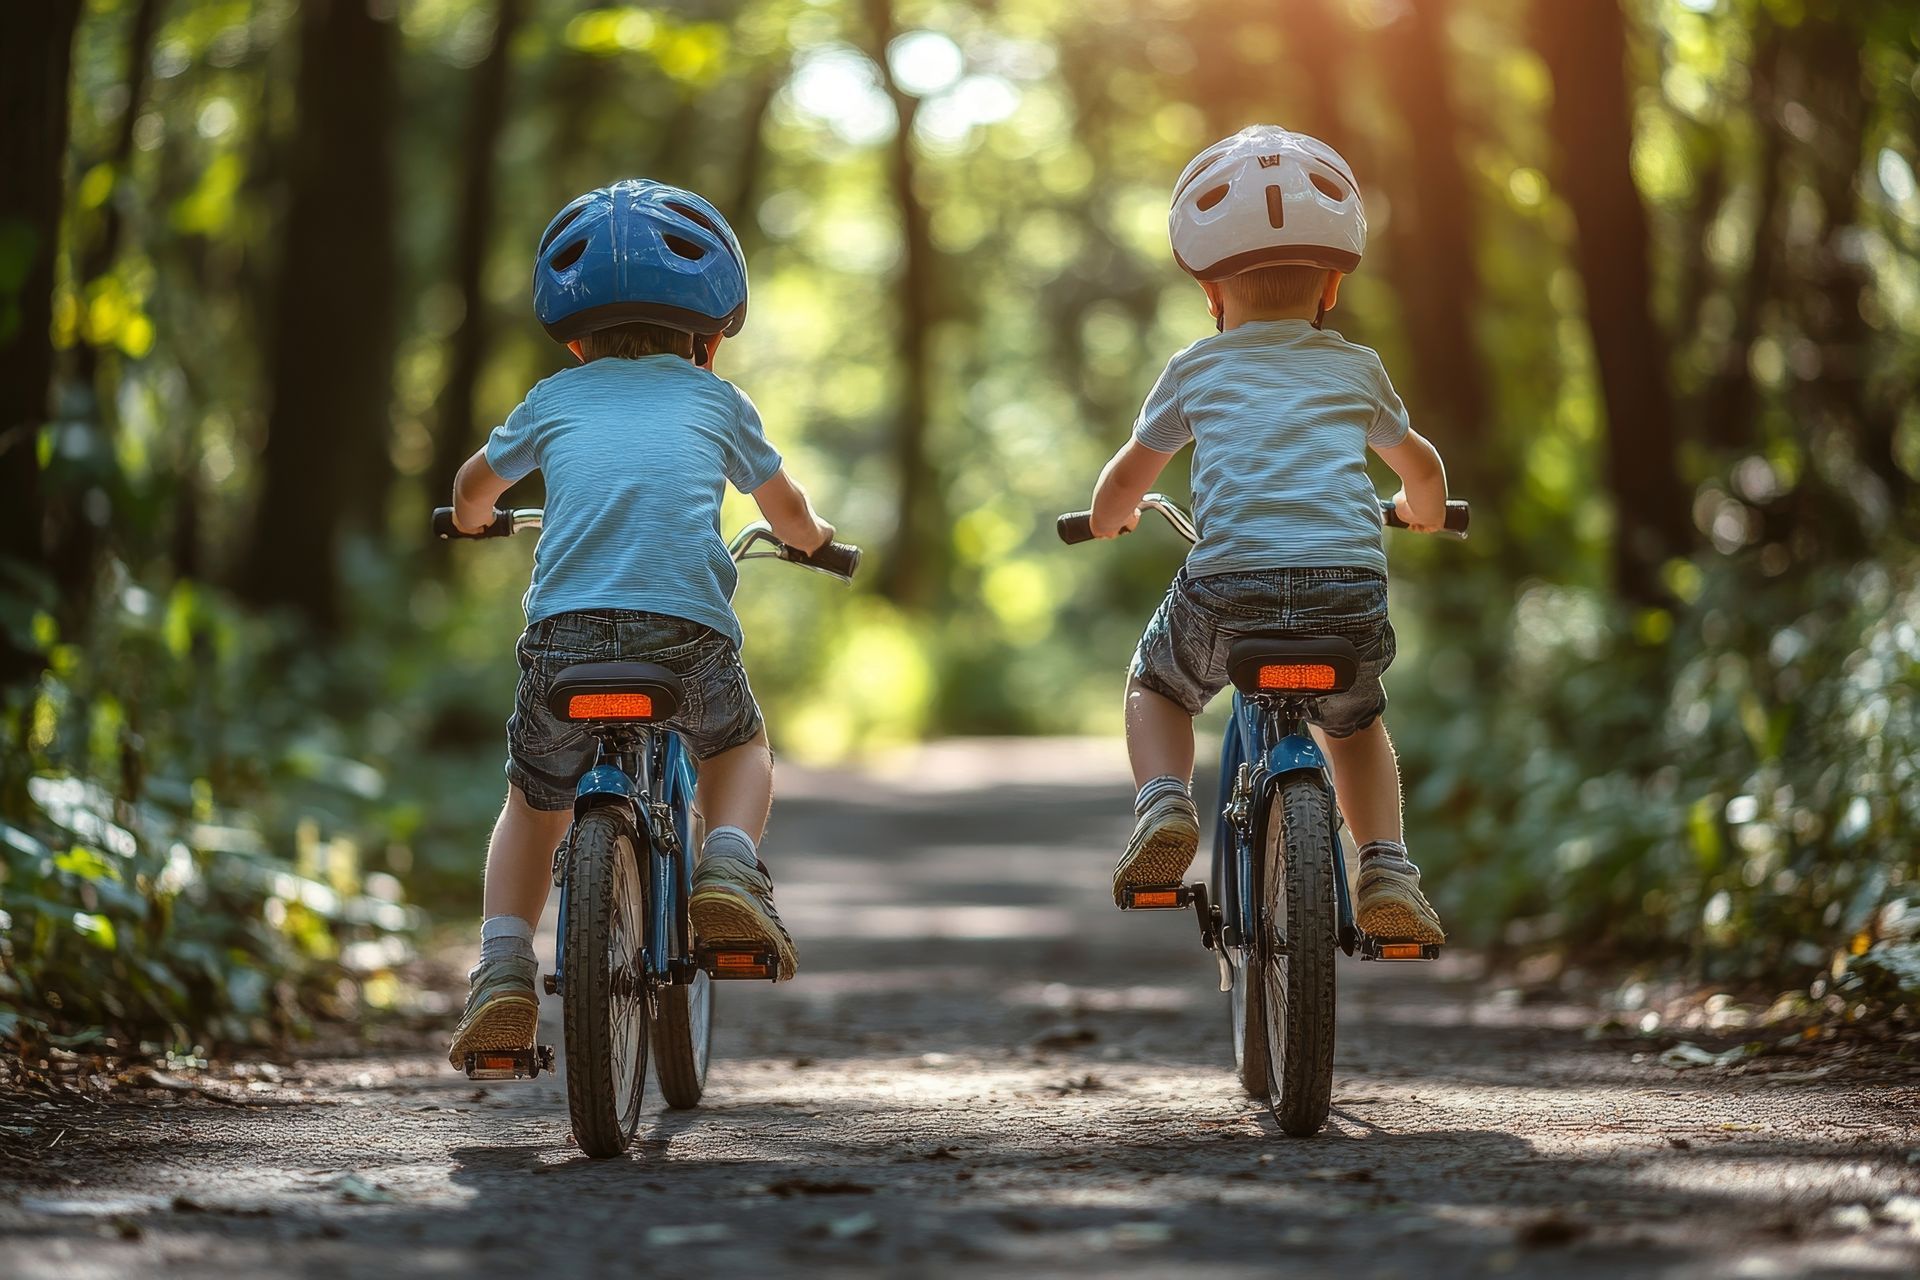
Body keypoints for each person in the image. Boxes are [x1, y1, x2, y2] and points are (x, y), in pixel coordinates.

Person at [445, 179, 833, 1069]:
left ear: (575, 338)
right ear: (708, 339)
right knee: (738, 749)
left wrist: (469, 520)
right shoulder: (718, 404)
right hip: (684, 640)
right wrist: (812, 543)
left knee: (534, 800)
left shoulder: (551, 400)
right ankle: (728, 865)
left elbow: (474, 488)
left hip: (563, 644)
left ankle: (502, 970)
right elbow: (788, 507)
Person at [1083, 125, 1449, 944]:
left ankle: (1164, 806)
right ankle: (1386, 864)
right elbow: (1419, 464)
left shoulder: (1194, 368)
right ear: (1331, 289)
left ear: (1211, 294)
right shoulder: (1357, 368)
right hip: (1348, 592)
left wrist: (1111, 519)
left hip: (1229, 588)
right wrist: (1422, 507)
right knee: (1353, 724)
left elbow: (1125, 482)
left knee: (1159, 683)